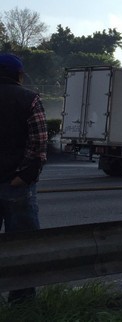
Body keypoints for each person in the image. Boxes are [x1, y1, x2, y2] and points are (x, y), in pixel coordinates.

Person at [0, 53, 47, 302]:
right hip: (16, 185)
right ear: (19, 75)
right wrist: (25, 176)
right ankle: (22, 301)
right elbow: (38, 143)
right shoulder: (29, 99)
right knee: (23, 245)